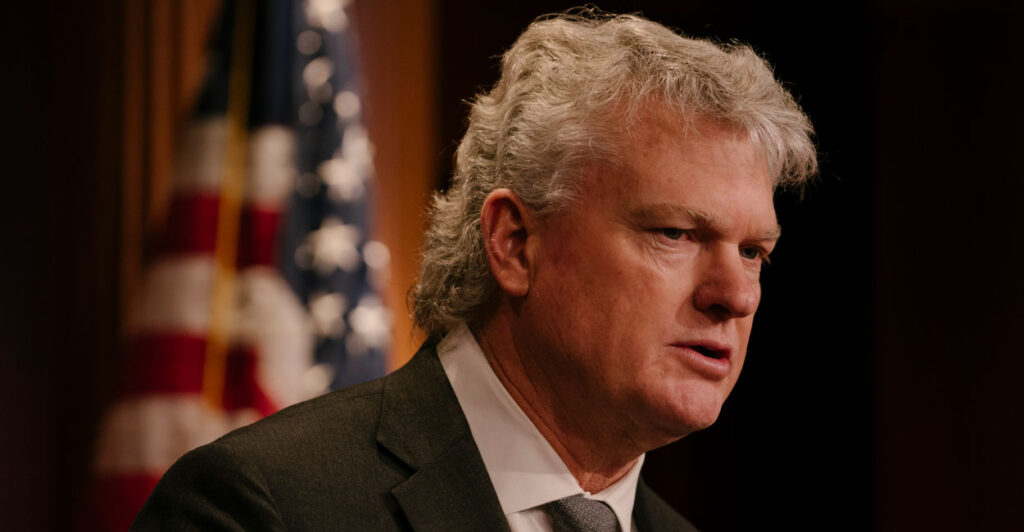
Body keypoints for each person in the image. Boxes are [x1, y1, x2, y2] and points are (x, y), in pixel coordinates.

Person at [133, 9, 816, 531]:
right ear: (516, 243)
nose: (735, 296)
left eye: (754, 252)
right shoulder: (264, 508)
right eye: (674, 232)